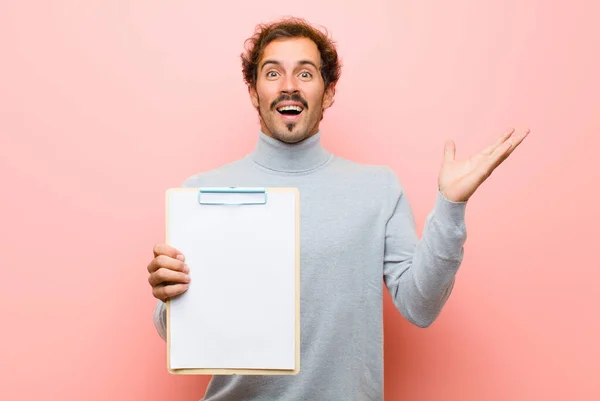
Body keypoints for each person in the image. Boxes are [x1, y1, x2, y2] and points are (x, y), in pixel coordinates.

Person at [147, 16, 529, 401]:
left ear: (328, 93)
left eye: (306, 74)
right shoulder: (202, 192)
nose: (289, 86)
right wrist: (170, 299)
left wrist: (450, 205)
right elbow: (175, 331)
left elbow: (421, 306)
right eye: (273, 73)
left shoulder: (377, 189)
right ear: (253, 91)